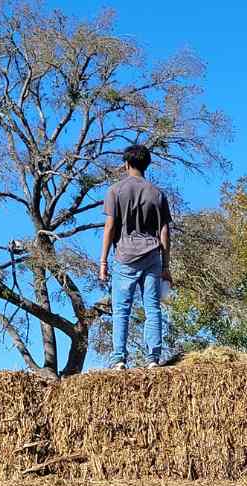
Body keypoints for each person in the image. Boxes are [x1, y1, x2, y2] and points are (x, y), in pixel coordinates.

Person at [98, 144, 173, 369]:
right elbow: (165, 231)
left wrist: (103, 261)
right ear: (146, 165)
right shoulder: (157, 194)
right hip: (152, 255)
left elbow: (110, 227)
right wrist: (166, 265)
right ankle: (153, 358)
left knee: (121, 309)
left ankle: (119, 358)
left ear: (126, 164)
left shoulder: (115, 191)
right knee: (152, 307)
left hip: (124, 256)